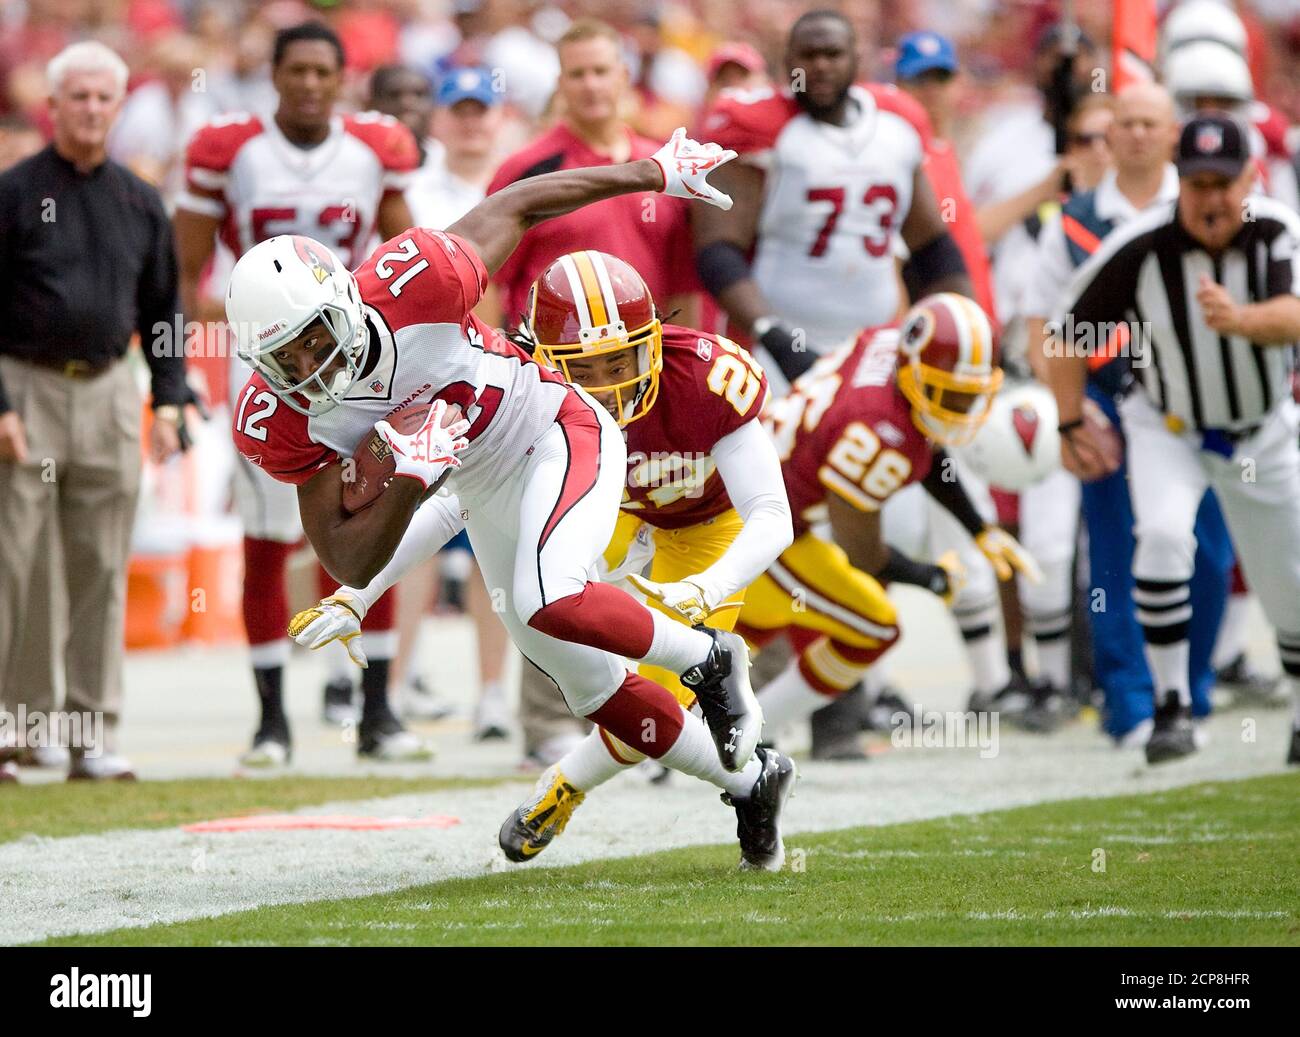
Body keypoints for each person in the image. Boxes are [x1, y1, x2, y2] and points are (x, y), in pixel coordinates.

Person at [248, 131, 797, 870]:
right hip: (481, 483)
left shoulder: (417, 280)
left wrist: (652, 172)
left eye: (315, 339)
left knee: (552, 593)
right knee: (597, 694)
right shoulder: (277, 418)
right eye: (287, 357)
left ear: (343, 302)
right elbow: (345, 550)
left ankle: (709, 657)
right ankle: (750, 778)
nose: (308, 367)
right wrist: (405, 489)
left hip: (550, 425)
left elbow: (522, 200)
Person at [173, 21, 422, 765]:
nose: (310, 84)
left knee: (373, 524)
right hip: (267, 369)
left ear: (343, 78)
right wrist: (197, 353)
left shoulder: (375, 148)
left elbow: (400, 257)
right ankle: (271, 718)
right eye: (297, 70)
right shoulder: (230, 149)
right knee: (270, 534)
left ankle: (375, 709)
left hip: (355, 364)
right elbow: (188, 278)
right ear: (275, 74)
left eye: (323, 71)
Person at [495, 249, 792, 861]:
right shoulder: (522, 385)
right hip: (616, 507)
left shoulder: (706, 378)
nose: (606, 384)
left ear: (653, 341)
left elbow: (772, 515)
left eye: (619, 360)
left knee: (655, 704)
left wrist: (710, 586)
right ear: (546, 362)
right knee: (544, 599)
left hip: (705, 523)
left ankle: (566, 784)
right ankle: (749, 778)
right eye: (585, 368)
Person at [1044, 112, 1300, 766]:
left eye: (1224, 182)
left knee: (1288, 584)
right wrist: (1072, 421)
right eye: (1197, 183)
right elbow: (1064, 335)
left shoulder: (1276, 229)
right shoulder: (1140, 246)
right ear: (1178, 183)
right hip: (1168, 425)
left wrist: (1239, 319)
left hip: (1260, 431)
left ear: (1250, 178)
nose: (1211, 198)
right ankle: (1171, 706)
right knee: (1160, 534)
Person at [0, 41, 191, 781]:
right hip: (27, 385)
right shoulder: (14, 194)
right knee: (15, 565)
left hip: (112, 387)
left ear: (119, 105)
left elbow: (165, 312)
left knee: (101, 563)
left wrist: (169, 402)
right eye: (76, 95)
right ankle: (17, 729)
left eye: (103, 97)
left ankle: (91, 731)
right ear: (53, 106)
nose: (89, 108)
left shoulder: (141, 202)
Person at [1024, 83, 1234, 743]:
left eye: (1151, 122)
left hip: (1203, 401)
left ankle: (1191, 693)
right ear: (1107, 136)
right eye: (1127, 123)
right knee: (1113, 554)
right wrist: (1073, 409)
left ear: (1174, 133)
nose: (1139, 134)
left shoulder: (1214, 204)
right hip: (1110, 403)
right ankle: (1131, 702)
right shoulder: (1076, 220)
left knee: (1207, 549)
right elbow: (1043, 325)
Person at [738, 294, 1039, 738]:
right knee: (874, 628)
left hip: (753, 504)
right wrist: (931, 577)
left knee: (732, 638)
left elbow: (927, 445)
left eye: (969, 397)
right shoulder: (878, 431)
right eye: (951, 397)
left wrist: (978, 529)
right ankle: (749, 731)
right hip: (754, 524)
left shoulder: (887, 348)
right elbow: (861, 553)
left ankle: (667, 728)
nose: (961, 411)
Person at [694, 10, 973, 388]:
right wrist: (774, 335)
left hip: (875, 347)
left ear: (857, 60)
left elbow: (933, 247)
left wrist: (968, 324)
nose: (820, 66)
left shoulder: (896, 128)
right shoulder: (762, 130)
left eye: (833, 54)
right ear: (787, 63)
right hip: (775, 349)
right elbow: (718, 250)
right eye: (808, 56)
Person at [485, 19, 702, 332]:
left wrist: (681, 367)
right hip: (548, 369)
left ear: (624, 76)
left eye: (600, 71)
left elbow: (683, 285)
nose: (590, 85)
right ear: (560, 83)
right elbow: (488, 280)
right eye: (578, 74)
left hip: (644, 364)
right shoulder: (527, 169)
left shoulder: (665, 167)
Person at [894, 30, 997, 322]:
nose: (931, 90)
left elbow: (968, 233)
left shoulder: (946, 149)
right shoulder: (904, 154)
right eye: (919, 79)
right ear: (898, 84)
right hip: (937, 328)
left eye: (941, 78)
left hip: (971, 322)